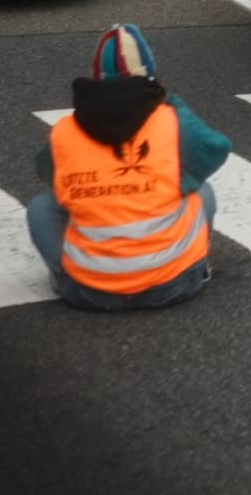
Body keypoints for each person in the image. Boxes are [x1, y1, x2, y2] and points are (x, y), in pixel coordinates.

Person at [26, 24, 231, 311]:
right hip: (173, 287)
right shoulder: (170, 120)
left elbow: (48, 175)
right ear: (150, 77)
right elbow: (215, 148)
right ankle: (195, 269)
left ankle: (67, 280)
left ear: (96, 80)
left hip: (90, 294)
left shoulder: (65, 131)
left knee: (40, 208)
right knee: (202, 191)